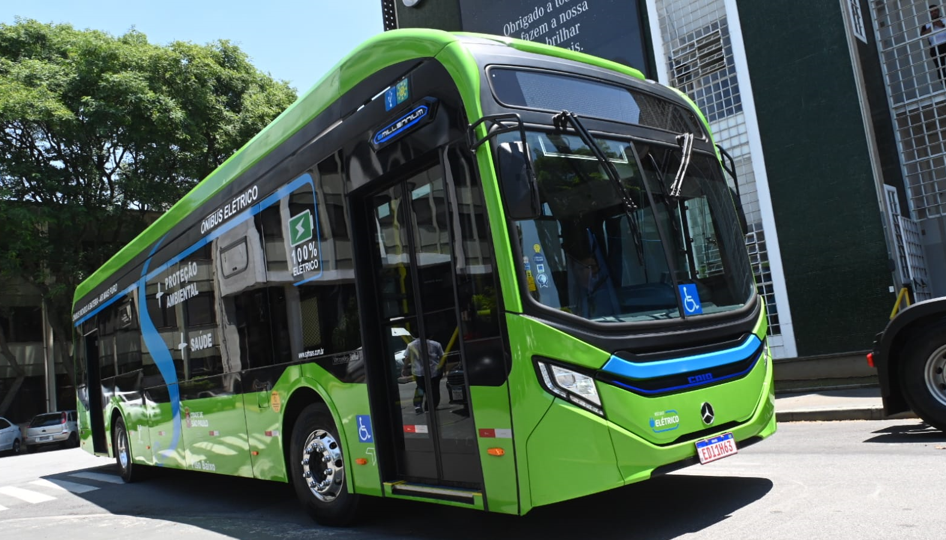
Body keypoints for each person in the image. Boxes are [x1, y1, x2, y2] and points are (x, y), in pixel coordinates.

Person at [403, 336, 445, 415]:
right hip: (434, 371)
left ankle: (418, 406)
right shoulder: (436, 344)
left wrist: (404, 368)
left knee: (420, 388)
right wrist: (442, 367)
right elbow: (442, 356)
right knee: (434, 390)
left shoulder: (411, 345)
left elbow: (407, 358)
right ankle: (430, 406)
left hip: (419, 371)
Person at [921, 5, 946, 84]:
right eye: (931, 12)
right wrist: (932, 26)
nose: (933, 13)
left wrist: (941, 25)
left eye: (935, 11)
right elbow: (922, 36)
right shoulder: (926, 25)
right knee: (941, 69)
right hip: (935, 48)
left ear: (938, 11)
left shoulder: (944, 19)